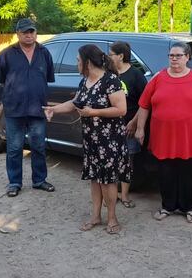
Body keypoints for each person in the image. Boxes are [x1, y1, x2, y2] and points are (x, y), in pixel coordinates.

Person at [44, 45, 129, 234]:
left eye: (77, 60)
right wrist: (53, 109)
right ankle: (96, 216)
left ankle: (112, 218)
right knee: (94, 178)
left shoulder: (111, 81)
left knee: (108, 180)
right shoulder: (85, 81)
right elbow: (76, 103)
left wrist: (94, 112)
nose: (76, 63)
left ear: (87, 62)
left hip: (109, 140)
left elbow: (121, 109)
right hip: (91, 140)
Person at [135, 42, 192, 224]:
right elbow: (144, 105)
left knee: (189, 174)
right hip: (163, 137)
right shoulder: (158, 78)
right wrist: (140, 128)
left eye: (178, 55)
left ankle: (190, 207)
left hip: (190, 137)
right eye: (171, 55)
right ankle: (168, 206)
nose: (174, 59)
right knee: (166, 173)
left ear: (187, 57)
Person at [0, 18, 56, 197]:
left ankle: (39, 180)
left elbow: (48, 78)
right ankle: (14, 182)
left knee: (38, 146)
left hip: (38, 108)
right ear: (18, 34)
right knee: (14, 147)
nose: (29, 35)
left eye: (32, 32)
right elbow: (0, 80)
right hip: (14, 109)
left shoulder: (44, 53)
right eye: (25, 32)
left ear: (36, 33)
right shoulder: (6, 54)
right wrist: (3, 102)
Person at [108, 41, 147, 208]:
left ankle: (124, 195)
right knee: (111, 160)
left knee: (127, 161)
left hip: (129, 126)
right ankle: (113, 193)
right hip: (110, 126)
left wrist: (134, 122)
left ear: (121, 56)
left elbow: (145, 103)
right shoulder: (110, 74)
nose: (109, 58)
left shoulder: (136, 75)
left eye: (111, 55)